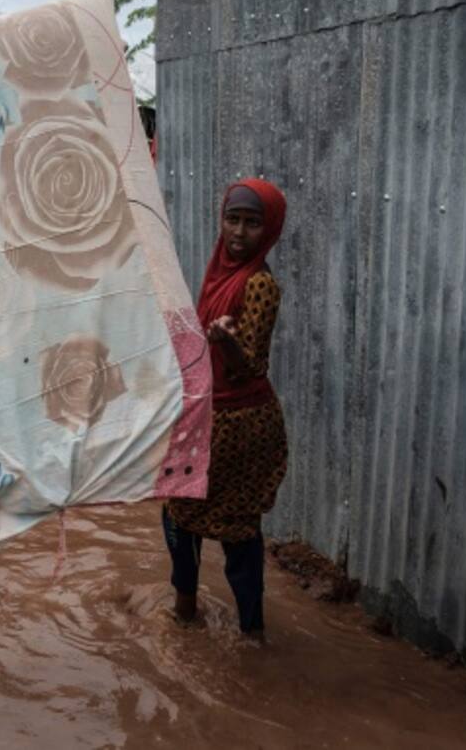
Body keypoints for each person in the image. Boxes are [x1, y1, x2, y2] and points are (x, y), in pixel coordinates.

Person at [163, 178, 288, 641]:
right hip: (208, 414)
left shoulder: (259, 285)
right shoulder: (219, 272)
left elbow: (251, 364)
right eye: (232, 219)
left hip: (239, 424)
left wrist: (227, 343)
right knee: (184, 515)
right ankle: (192, 615)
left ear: (270, 229)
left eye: (252, 223)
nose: (238, 231)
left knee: (225, 527)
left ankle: (243, 631)